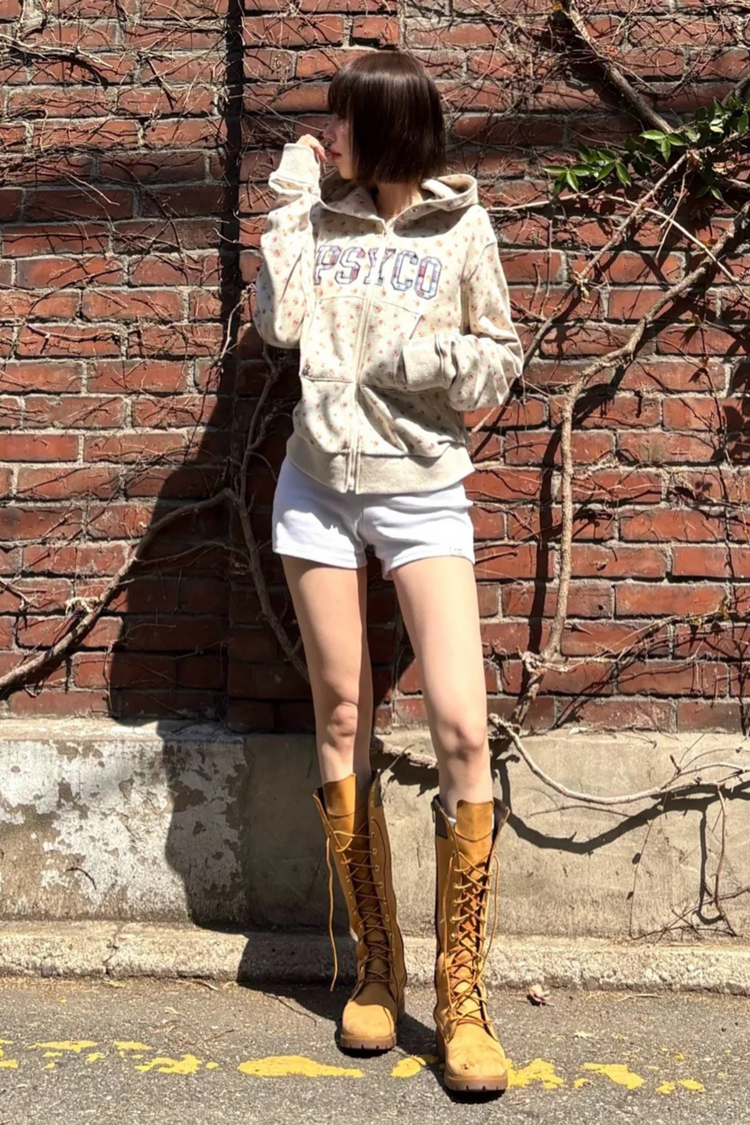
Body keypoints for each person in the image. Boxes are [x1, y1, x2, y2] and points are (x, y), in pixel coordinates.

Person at [251, 49, 523, 1094]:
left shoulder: (462, 227)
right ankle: (377, 966)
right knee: (340, 714)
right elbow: (278, 324)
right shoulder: (318, 217)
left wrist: (428, 361)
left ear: (389, 128)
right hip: (317, 484)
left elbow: (500, 358)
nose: (327, 137)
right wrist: (287, 207)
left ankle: (463, 998)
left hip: (420, 488)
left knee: (460, 726)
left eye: (342, 122)